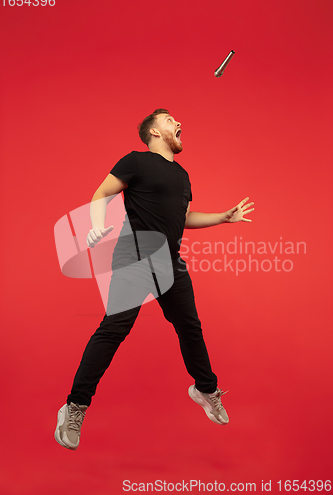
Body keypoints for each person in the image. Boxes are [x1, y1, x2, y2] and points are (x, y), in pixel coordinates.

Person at [54, 108, 254, 450]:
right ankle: (74, 406)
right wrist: (96, 225)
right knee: (114, 329)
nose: (178, 123)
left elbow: (184, 216)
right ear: (155, 132)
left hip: (169, 263)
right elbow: (102, 193)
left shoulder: (183, 176)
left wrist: (223, 217)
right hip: (134, 257)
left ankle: (205, 390)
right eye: (169, 120)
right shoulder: (136, 161)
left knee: (190, 327)